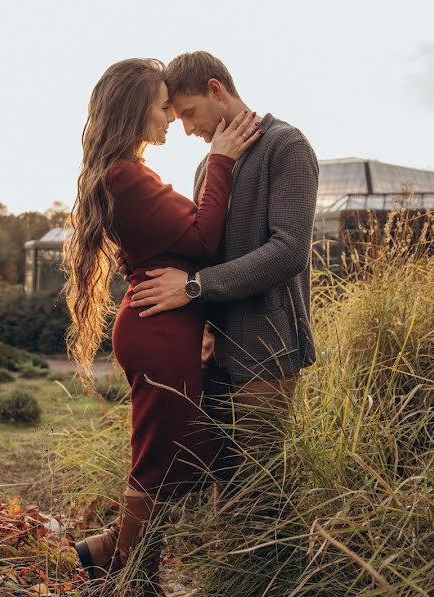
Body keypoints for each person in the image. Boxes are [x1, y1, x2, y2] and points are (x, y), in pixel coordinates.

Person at [62, 57, 261, 589]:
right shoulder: (126, 175)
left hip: (164, 329)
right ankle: (131, 574)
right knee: (157, 463)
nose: (171, 116)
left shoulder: (130, 173)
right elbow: (202, 241)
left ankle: (113, 551)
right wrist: (219, 159)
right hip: (159, 332)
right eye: (161, 105)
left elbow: (188, 244)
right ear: (134, 111)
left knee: (182, 456)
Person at [126, 51, 319, 497]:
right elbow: (201, 248)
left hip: (267, 350)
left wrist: (194, 288)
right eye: (177, 118)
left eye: (190, 113)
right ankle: (217, 568)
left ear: (217, 90)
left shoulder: (285, 146)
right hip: (214, 354)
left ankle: (270, 568)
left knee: (261, 490)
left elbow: (289, 251)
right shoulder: (208, 165)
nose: (188, 129)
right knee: (220, 484)